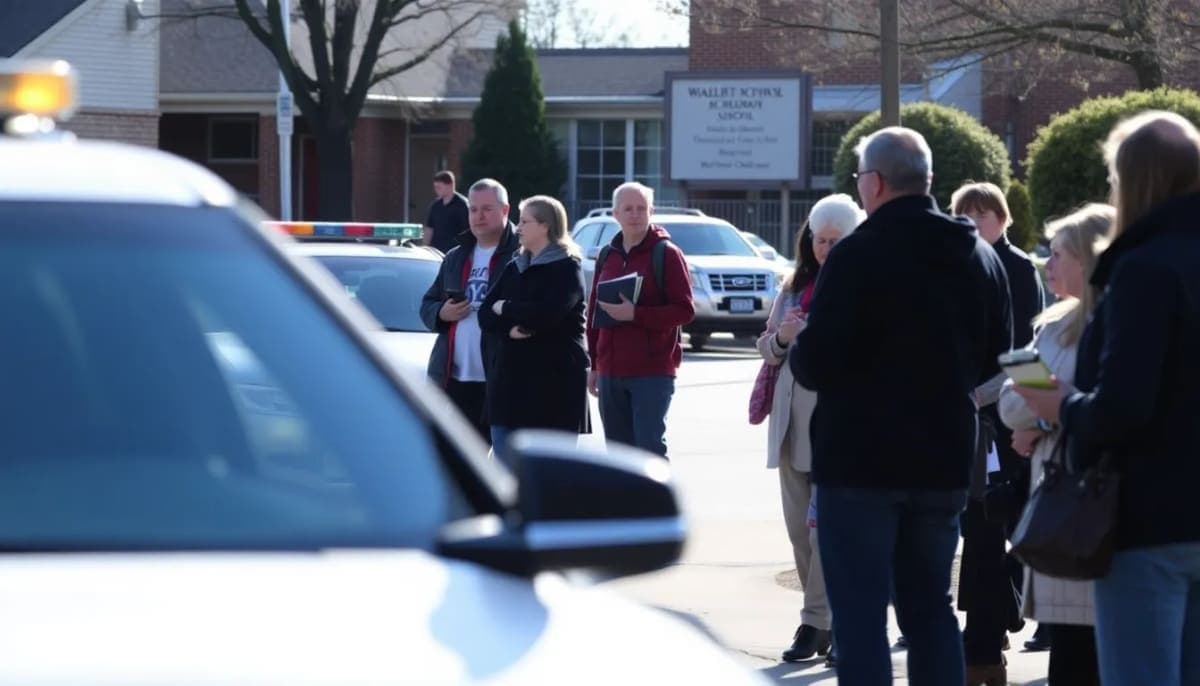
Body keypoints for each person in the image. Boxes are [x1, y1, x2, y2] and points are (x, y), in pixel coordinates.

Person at [789, 127, 1012, 686]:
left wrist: (801, 345)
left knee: (861, 616)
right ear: (930, 181)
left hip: (859, 464)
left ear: (874, 183)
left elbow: (816, 362)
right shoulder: (979, 256)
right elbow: (999, 359)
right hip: (942, 462)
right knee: (930, 607)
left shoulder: (856, 255)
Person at [1014, 111, 1200, 686]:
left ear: (1132, 181)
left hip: (1150, 521)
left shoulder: (1145, 270)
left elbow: (1122, 409)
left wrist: (1063, 406)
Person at [1000, 203, 1113, 686]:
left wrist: (1042, 422)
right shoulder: (1055, 324)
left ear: (1088, 260)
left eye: (1059, 254)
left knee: (1080, 655)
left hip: (1081, 509)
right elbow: (1015, 405)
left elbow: (1023, 404)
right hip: (1070, 503)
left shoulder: (1080, 331)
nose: (1048, 263)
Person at [757, 194, 864, 663]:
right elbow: (767, 347)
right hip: (790, 425)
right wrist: (783, 337)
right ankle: (821, 620)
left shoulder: (863, 286)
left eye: (835, 240)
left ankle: (823, 622)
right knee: (801, 532)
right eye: (819, 240)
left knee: (829, 534)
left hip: (839, 424)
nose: (824, 248)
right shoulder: (794, 284)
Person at [950, 181, 1046, 684]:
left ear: (1004, 219)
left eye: (984, 215)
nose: (976, 223)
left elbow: (1024, 354)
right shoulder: (959, 265)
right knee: (979, 535)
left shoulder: (1018, 268)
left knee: (1006, 531)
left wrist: (982, 398)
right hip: (968, 425)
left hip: (1006, 419)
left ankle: (988, 636)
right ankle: (985, 637)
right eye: (965, 215)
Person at [585, 181, 694, 458]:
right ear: (615, 214)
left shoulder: (667, 254)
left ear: (651, 211)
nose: (635, 214)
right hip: (610, 372)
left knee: (649, 452)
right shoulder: (606, 255)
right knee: (618, 456)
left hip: (652, 372)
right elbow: (594, 312)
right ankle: (623, 504)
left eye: (641, 208)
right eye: (628, 209)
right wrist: (595, 365)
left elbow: (684, 310)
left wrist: (635, 314)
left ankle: (656, 504)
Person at [479, 195, 591, 464]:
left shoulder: (567, 268)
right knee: (504, 475)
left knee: (550, 478)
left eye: (525, 221)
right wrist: (509, 328)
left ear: (545, 226)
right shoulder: (514, 266)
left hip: (553, 388)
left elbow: (546, 314)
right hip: (510, 387)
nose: (517, 227)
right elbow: (484, 314)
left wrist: (505, 307)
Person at [420, 178, 520, 440]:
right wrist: (442, 312)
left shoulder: (522, 255)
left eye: (487, 209)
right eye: (473, 209)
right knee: (455, 469)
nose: (478, 216)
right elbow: (427, 304)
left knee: (502, 471)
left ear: (505, 210)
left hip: (502, 381)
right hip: (454, 380)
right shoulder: (455, 256)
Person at [423, 170, 470, 254]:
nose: (436, 190)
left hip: (455, 252)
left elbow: (467, 230)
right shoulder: (435, 206)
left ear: (450, 185)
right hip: (436, 252)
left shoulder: (463, 205)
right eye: (435, 187)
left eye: (439, 187)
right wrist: (425, 248)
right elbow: (429, 229)